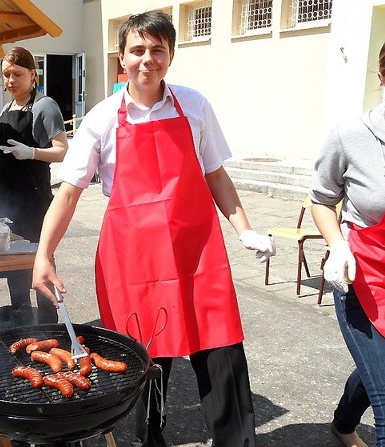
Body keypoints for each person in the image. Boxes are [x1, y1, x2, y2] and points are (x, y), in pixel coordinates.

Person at [32, 11, 275, 447]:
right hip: (134, 260)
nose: (148, 59)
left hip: (197, 252)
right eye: (137, 50)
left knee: (221, 348)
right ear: (121, 59)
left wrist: (244, 229)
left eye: (157, 50)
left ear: (171, 55)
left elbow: (215, 174)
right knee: (147, 360)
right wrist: (43, 255)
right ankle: (150, 441)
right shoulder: (102, 118)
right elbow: (68, 193)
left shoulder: (195, 105)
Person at [310, 42, 385, 447]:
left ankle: (342, 424)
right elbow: (322, 199)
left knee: (377, 369)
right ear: (382, 76)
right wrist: (337, 246)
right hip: (364, 277)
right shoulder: (351, 136)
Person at [0, 46, 68, 325]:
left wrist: (31, 152)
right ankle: (22, 319)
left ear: (32, 74)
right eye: (6, 75)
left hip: (33, 202)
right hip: (5, 200)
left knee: (38, 261)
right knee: (12, 264)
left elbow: (62, 150)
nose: (10, 80)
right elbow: (4, 154)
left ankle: (48, 322)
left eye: (17, 74)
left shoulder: (44, 106)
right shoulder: (6, 108)